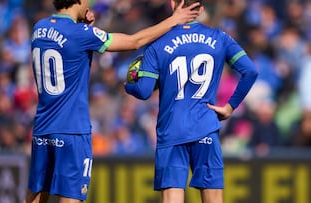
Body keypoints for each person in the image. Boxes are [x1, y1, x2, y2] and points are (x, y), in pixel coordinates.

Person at [25, 0, 201, 203]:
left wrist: (83, 26)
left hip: (43, 128)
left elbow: (67, 49)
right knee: (71, 198)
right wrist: (174, 20)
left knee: (35, 197)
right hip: (72, 130)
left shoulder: (40, 28)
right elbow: (134, 41)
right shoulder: (81, 34)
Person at [124, 0, 258, 202]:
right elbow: (250, 71)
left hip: (171, 131)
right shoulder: (220, 38)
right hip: (205, 127)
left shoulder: (157, 44)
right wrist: (230, 106)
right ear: (201, 9)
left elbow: (143, 91)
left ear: (172, 4)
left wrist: (129, 83)